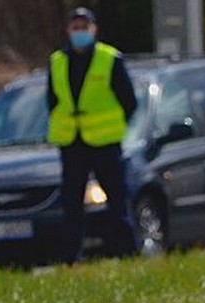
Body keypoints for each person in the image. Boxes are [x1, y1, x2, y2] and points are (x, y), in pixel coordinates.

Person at [47, 7, 138, 264]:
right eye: (75, 27)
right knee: (71, 204)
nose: (79, 32)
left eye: (83, 27)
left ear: (94, 30)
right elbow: (52, 101)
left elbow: (128, 102)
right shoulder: (57, 61)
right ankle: (70, 258)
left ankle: (127, 252)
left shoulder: (110, 59)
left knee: (117, 200)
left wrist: (114, 126)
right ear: (68, 31)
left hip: (105, 142)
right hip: (71, 142)